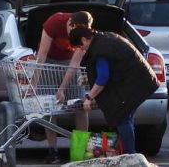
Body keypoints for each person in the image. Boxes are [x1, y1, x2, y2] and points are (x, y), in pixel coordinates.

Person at [68, 26, 159, 157]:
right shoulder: (105, 38)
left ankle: (130, 155)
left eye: (80, 47)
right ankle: (129, 153)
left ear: (84, 40)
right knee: (126, 118)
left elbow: (103, 77)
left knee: (121, 118)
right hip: (141, 80)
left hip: (135, 83)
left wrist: (89, 98)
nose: (82, 50)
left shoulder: (99, 50)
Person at [37, 11, 93, 164]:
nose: (72, 35)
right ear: (70, 23)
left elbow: (74, 64)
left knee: (80, 105)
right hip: (48, 62)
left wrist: (62, 89)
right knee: (48, 106)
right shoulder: (55, 22)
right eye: (72, 31)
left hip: (70, 64)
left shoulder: (85, 33)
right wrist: (33, 84)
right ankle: (53, 151)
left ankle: (79, 151)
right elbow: (42, 54)